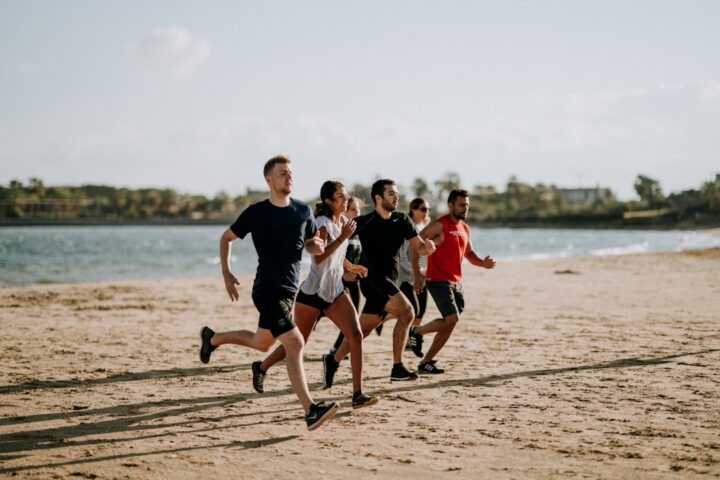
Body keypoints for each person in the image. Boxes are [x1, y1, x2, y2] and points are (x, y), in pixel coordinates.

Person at [198, 155, 339, 431]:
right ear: (269, 180)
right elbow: (226, 237)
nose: (289, 178)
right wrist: (226, 272)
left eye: (290, 173)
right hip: (267, 290)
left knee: (262, 343)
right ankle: (310, 410)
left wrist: (317, 247)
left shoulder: (302, 211)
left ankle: (212, 338)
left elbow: (311, 244)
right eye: (283, 174)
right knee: (295, 343)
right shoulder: (257, 212)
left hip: (289, 290)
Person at [250, 182, 379, 409]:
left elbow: (336, 256)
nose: (345, 199)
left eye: (346, 195)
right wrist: (343, 238)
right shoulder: (322, 224)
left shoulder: (342, 223)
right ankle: (261, 367)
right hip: (312, 294)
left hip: (335, 292)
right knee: (298, 342)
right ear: (329, 201)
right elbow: (319, 258)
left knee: (356, 335)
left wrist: (351, 267)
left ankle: (357, 394)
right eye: (340, 196)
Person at [322, 179, 436, 386]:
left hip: (390, 280)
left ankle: (332, 359)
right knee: (408, 311)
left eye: (396, 193)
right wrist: (348, 268)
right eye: (391, 193)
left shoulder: (402, 220)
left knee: (361, 331)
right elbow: (337, 244)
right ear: (378, 198)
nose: (396, 196)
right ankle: (397, 367)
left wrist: (427, 248)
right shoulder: (365, 221)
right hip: (373, 280)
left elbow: (418, 247)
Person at [408, 189, 496, 374]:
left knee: (450, 322)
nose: (465, 209)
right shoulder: (439, 225)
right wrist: (416, 274)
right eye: (462, 205)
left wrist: (483, 264)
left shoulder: (465, 227)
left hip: (456, 281)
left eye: (467, 206)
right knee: (452, 318)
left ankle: (426, 362)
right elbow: (414, 245)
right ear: (450, 205)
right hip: (437, 279)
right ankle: (417, 332)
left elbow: (469, 254)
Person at [397, 198, 432, 356]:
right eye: (423, 209)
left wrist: (427, 272)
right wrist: (416, 271)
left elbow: (427, 255)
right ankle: (382, 318)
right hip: (406, 278)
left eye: (428, 210)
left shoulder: (426, 228)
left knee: (421, 311)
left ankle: (412, 339)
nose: (427, 212)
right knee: (413, 309)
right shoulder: (408, 229)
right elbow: (402, 258)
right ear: (413, 210)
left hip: (423, 276)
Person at [329, 196, 364, 354]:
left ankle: (337, 347)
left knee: (353, 316)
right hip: (338, 280)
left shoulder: (359, 231)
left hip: (354, 281)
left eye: (358, 209)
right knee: (321, 314)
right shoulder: (342, 231)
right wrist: (344, 271)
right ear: (346, 211)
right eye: (353, 210)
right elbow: (332, 253)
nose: (357, 213)